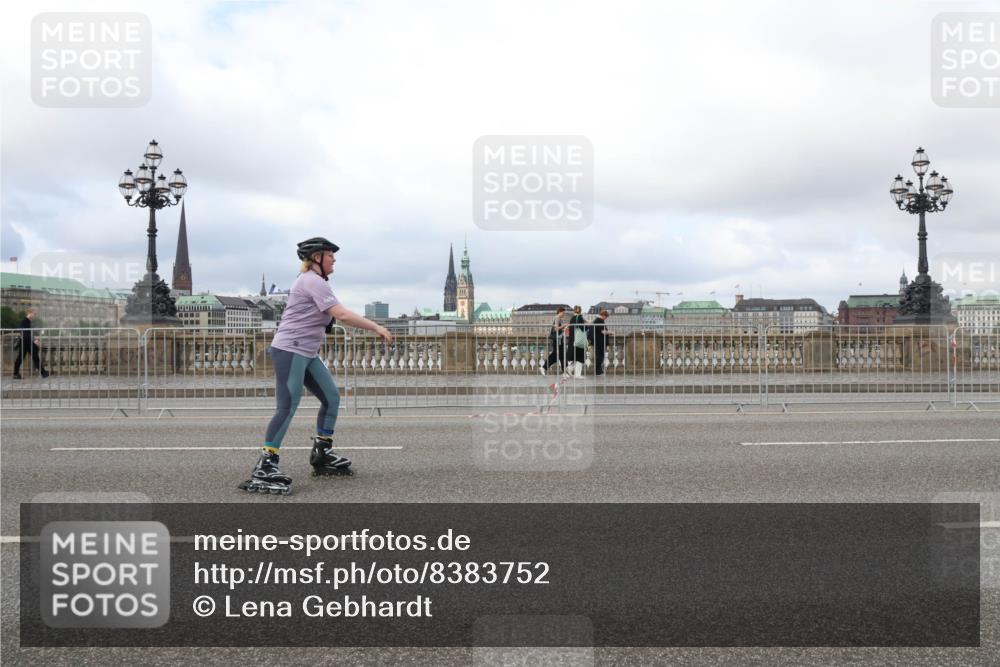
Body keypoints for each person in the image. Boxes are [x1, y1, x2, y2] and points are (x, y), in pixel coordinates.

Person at [239, 237, 393, 495]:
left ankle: (322, 452)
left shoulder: (318, 282)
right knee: (287, 406)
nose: (334, 259)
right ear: (317, 258)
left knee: (331, 397)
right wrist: (376, 326)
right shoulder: (311, 279)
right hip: (290, 349)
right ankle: (265, 465)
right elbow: (341, 314)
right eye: (330, 255)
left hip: (307, 351)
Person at [12, 307, 49, 379]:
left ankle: (43, 372)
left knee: (32, 357)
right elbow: (25, 333)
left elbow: (29, 333)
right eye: (34, 314)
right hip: (26, 343)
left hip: (27, 342)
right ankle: (16, 374)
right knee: (23, 358)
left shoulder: (28, 321)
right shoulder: (25, 321)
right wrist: (34, 340)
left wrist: (35, 338)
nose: (35, 315)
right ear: (30, 313)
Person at [540, 306, 566, 376]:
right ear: (560, 312)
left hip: (559, 339)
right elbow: (556, 329)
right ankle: (544, 367)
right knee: (557, 355)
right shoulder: (557, 318)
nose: (564, 314)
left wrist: (564, 328)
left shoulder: (560, 319)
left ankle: (564, 371)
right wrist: (563, 326)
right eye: (563, 313)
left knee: (560, 355)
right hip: (557, 339)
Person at [565, 305, 588, 379]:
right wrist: (587, 325)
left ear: (574, 310)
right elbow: (582, 328)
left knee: (576, 357)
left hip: (573, 340)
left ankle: (569, 368)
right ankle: (577, 374)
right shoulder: (580, 318)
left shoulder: (572, 318)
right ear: (580, 310)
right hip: (579, 340)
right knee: (580, 357)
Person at [587, 309, 612, 376]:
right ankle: (598, 371)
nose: (606, 318)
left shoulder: (596, 320)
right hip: (600, 341)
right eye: (606, 317)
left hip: (597, 341)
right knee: (600, 356)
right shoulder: (599, 320)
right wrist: (610, 332)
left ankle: (599, 370)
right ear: (603, 315)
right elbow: (602, 331)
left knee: (599, 356)